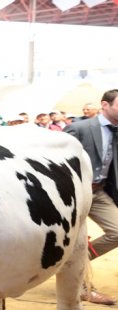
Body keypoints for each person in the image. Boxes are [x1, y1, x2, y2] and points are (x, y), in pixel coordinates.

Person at [64, 89, 118, 305]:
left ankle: (76, 262)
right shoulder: (79, 128)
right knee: (74, 240)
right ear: (104, 105)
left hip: (99, 191)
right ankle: (83, 286)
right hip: (74, 193)